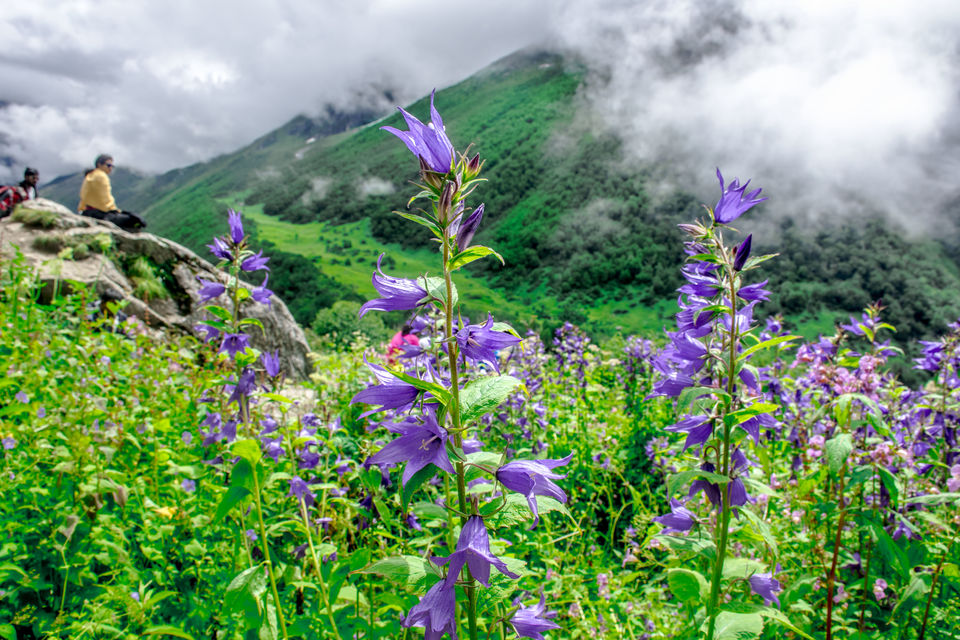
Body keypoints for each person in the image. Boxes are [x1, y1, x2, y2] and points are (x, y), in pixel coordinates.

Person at [78, 154, 146, 231]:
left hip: (86, 212)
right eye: (108, 165)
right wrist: (116, 211)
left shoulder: (90, 175)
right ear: (99, 164)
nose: (110, 168)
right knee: (135, 220)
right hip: (100, 215)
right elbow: (105, 200)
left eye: (112, 166)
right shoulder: (101, 176)